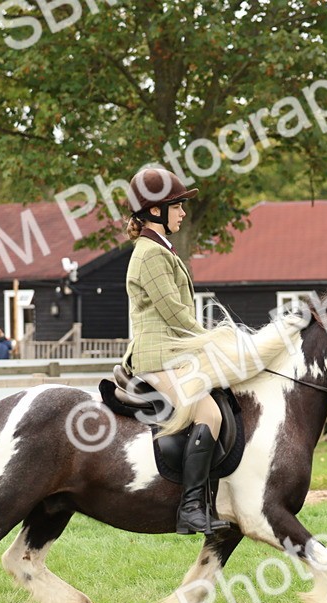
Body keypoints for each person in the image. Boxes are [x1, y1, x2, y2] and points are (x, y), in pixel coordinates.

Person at [121, 166, 228, 535]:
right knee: (210, 415)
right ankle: (192, 508)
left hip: (175, 354)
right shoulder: (150, 253)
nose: (183, 212)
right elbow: (175, 314)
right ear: (155, 211)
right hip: (159, 358)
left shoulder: (159, 249)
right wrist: (217, 340)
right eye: (177, 206)